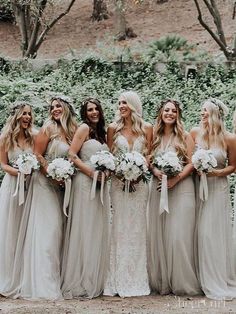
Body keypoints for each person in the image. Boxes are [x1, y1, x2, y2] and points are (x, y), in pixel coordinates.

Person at [4, 95, 77, 300]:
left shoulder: (72, 131)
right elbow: (38, 156)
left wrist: (64, 175)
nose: (55, 109)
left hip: (62, 187)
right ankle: (43, 284)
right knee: (48, 231)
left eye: (58, 106)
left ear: (66, 108)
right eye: (52, 107)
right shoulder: (47, 129)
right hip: (44, 185)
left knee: (59, 232)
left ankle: (57, 279)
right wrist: (52, 174)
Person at [148, 99, 201, 296]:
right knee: (161, 234)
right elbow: (149, 161)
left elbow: (191, 162)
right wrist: (156, 172)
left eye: (173, 111)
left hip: (181, 188)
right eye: (166, 110)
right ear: (161, 113)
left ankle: (182, 281)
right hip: (159, 186)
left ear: (178, 114)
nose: (169, 113)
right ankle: (163, 281)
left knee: (178, 236)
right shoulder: (154, 135)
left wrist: (176, 179)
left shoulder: (185, 136)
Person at [104, 90, 152, 297]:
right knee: (120, 227)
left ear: (133, 105)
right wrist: (121, 172)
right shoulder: (113, 128)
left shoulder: (147, 128)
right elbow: (109, 155)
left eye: (124, 102)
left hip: (140, 184)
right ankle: (117, 278)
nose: (121, 106)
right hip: (118, 182)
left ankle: (137, 278)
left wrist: (140, 171)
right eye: (119, 103)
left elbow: (149, 154)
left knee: (138, 228)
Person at [61, 97, 110, 299]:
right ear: (84, 113)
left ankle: (94, 277)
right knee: (84, 227)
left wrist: (105, 173)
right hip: (84, 182)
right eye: (90, 110)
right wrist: (91, 173)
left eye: (96, 109)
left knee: (96, 228)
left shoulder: (102, 133)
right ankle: (80, 279)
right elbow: (72, 155)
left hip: (100, 184)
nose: (94, 112)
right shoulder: (83, 129)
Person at [191, 98, 236, 300]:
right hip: (198, 188)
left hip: (218, 189)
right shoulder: (195, 134)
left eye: (205, 112)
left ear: (215, 115)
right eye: (201, 111)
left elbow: (233, 166)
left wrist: (217, 173)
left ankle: (216, 277)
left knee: (212, 233)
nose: (202, 114)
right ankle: (200, 278)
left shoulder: (229, 138)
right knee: (199, 231)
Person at [0, 102, 35, 295]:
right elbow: (3, 165)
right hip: (12, 187)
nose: (28, 117)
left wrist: (29, 172)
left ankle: (23, 275)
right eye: (24, 114)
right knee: (11, 229)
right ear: (16, 116)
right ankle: (7, 275)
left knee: (26, 229)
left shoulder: (34, 136)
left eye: (29, 114)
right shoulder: (5, 137)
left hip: (30, 188)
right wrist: (19, 172)